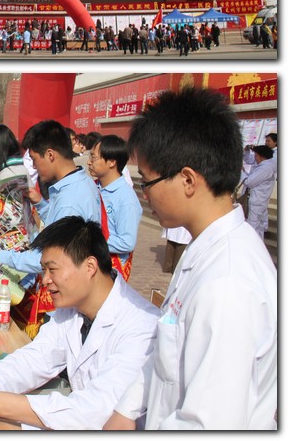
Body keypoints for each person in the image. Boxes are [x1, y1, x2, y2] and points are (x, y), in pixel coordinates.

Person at [104, 87, 277, 430]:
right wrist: (125, 411)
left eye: (147, 182)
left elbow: (208, 424)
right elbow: (164, 354)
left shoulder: (227, 284)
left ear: (187, 180)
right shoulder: (204, 250)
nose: (144, 194)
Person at [0, 216, 159, 430]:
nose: (46, 280)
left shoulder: (143, 327)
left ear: (90, 267)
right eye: (43, 270)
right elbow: (36, 357)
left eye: (53, 270)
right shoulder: (72, 309)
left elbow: (97, 410)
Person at [0, 120, 101, 278]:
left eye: (34, 159)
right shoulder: (80, 183)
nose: (33, 166)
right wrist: (40, 203)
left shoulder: (70, 201)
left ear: (50, 155)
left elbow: (50, 259)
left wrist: (1, 257)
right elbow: (60, 224)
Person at [88, 135, 143, 280]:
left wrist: (89, 241)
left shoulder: (126, 198)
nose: (89, 162)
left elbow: (127, 242)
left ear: (112, 162)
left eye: (94, 158)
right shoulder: (93, 187)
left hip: (110, 267)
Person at [239, 145, 276, 241]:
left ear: (261, 156)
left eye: (256, 156)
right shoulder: (264, 166)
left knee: (252, 227)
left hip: (256, 202)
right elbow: (252, 178)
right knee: (257, 228)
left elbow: (249, 182)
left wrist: (241, 172)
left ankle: (250, 246)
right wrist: (244, 172)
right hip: (258, 201)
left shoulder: (265, 168)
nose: (255, 158)